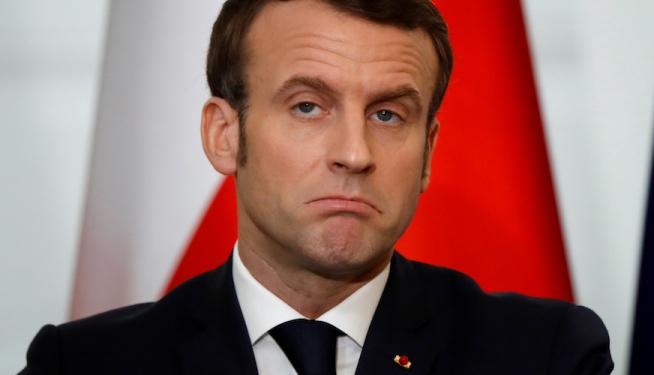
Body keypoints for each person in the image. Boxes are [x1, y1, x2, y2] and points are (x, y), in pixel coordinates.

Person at [21, 0, 614, 374]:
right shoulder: (83, 364)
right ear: (224, 134)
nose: (354, 154)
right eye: (308, 106)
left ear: (428, 152)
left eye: (387, 115)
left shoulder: (546, 356)